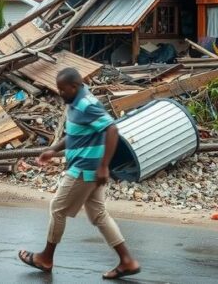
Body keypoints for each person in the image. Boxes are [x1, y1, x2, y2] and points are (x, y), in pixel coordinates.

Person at [18, 67, 141, 279]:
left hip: (85, 169)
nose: (60, 93)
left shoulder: (87, 104)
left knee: (57, 208)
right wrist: (53, 150)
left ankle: (46, 258)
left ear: (74, 86)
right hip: (88, 169)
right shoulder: (74, 102)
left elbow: (111, 129)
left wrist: (104, 166)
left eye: (62, 90)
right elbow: (76, 134)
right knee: (98, 215)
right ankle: (127, 261)